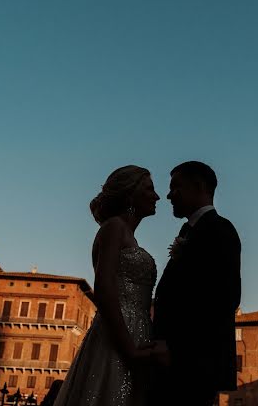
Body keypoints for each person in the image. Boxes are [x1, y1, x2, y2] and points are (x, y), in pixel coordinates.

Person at [53, 165, 160, 406]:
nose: (157, 196)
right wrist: (130, 349)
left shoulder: (126, 234)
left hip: (137, 331)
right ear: (130, 194)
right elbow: (104, 288)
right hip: (120, 334)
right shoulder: (114, 228)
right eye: (149, 189)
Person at [149, 161, 242, 406]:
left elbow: (225, 298)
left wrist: (175, 351)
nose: (169, 195)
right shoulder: (189, 231)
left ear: (199, 186)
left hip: (192, 365)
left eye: (175, 187)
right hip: (177, 365)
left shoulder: (220, 229)